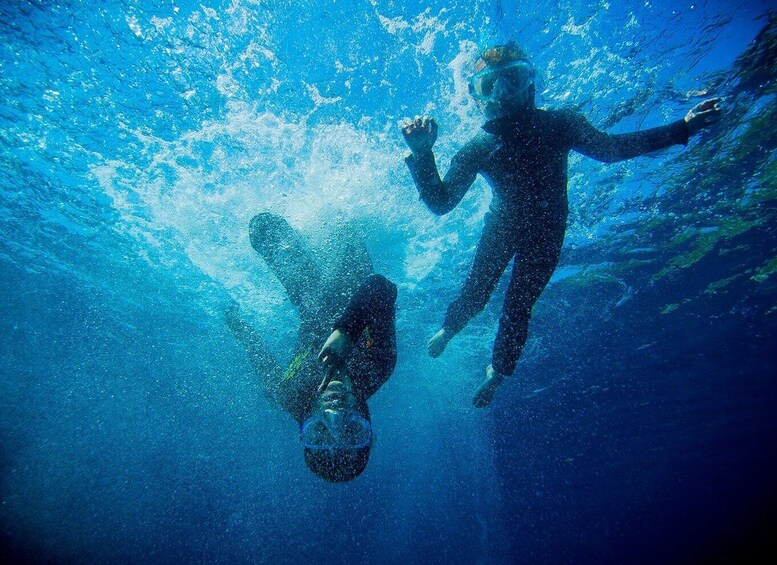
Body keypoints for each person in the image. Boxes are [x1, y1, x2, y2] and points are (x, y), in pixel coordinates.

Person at [401, 41, 721, 408]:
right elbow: (441, 203)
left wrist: (682, 127)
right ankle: (450, 328)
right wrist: (423, 154)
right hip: (508, 225)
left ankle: (497, 371)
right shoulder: (480, 145)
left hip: (545, 232)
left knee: (518, 304)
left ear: (531, 84)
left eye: (513, 80)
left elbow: (612, 150)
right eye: (489, 85)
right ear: (477, 98)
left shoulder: (559, 123)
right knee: (477, 290)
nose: (503, 93)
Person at [226, 212, 397, 482]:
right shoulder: (376, 368)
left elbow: (262, 361)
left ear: (305, 430)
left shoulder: (291, 395)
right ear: (369, 427)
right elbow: (380, 287)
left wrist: (241, 329)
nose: (335, 413)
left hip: (310, 301)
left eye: (320, 432)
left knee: (264, 229)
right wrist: (347, 331)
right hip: (354, 285)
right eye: (352, 431)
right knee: (344, 224)